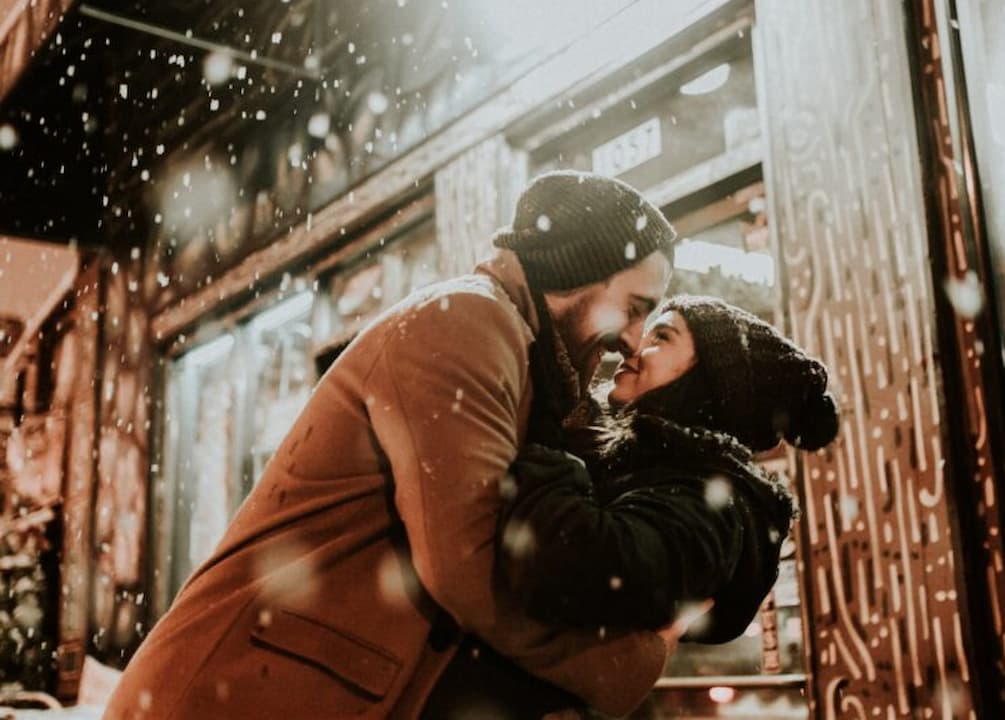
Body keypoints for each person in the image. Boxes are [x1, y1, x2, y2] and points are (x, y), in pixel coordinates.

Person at [105, 171, 679, 720]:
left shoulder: (523, 357)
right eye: (634, 308)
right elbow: (465, 567)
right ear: (581, 271)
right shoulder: (468, 324)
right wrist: (626, 663)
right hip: (232, 695)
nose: (633, 340)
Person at [422, 296, 840, 717]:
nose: (634, 346)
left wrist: (546, 441)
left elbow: (571, 563)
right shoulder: (643, 469)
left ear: (707, 381)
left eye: (662, 336)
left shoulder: (712, 503)